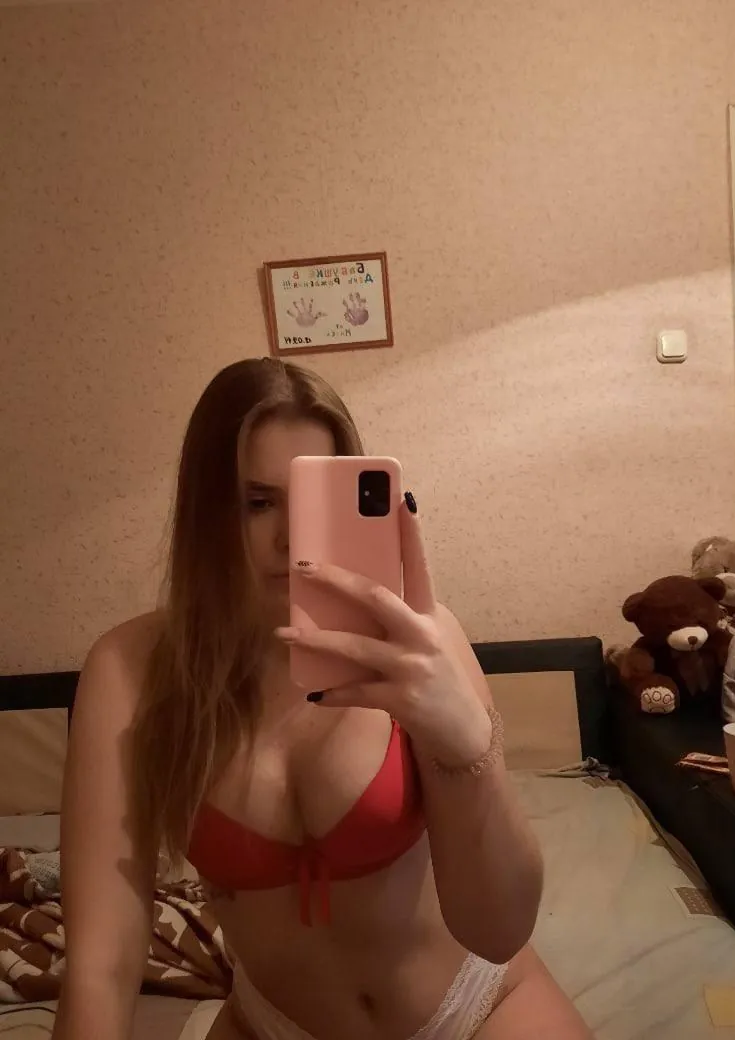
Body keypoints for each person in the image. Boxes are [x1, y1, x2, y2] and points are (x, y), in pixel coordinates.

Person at [54, 358, 592, 1040]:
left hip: (477, 1006)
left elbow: (500, 928)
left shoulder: (417, 643)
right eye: (258, 502)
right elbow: (100, 967)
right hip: (274, 1025)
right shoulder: (131, 671)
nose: (291, 538)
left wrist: (469, 752)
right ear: (205, 510)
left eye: (313, 502)